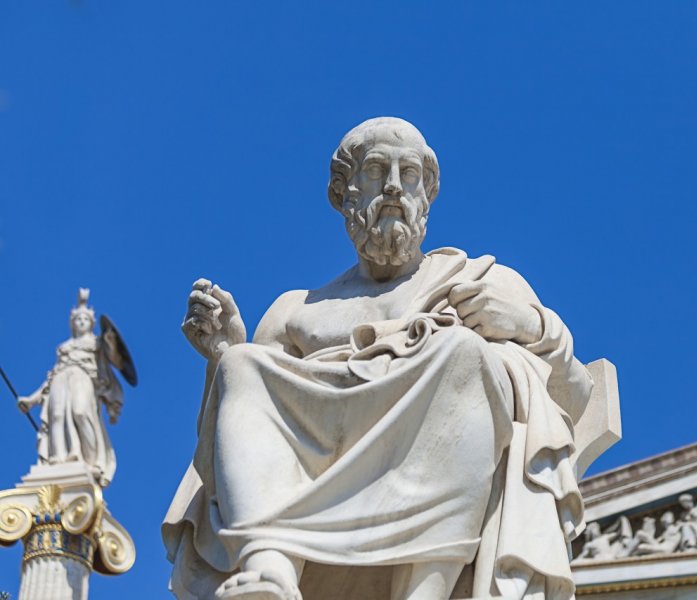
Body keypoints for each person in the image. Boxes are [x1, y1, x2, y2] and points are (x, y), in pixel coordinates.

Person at [163, 118, 602, 600]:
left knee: (462, 352)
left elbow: (575, 395)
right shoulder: (296, 310)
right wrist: (221, 356)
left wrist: (528, 325)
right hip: (322, 450)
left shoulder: (479, 280)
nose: (394, 186)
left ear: (427, 193)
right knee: (241, 365)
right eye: (376, 170)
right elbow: (219, 464)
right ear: (342, 192)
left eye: (409, 173)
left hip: (433, 448)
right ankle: (269, 570)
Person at [16, 289, 126, 486]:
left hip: (82, 378)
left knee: (80, 412)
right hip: (61, 378)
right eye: (78, 319)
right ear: (72, 323)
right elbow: (49, 379)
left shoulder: (96, 343)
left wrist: (110, 342)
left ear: (91, 324)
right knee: (57, 415)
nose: (81, 322)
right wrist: (31, 400)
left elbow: (118, 361)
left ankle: (92, 462)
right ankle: (57, 459)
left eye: (85, 319)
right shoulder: (64, 347)